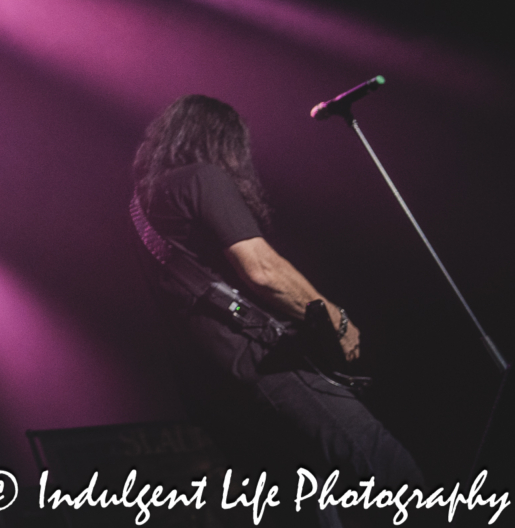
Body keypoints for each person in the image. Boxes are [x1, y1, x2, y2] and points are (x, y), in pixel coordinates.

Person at [130, 95, 421, 496]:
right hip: (260, 362)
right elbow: (263, 271)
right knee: (386, 465)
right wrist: (336, 319)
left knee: (300, 500)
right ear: (222, 140)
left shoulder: (146, 202)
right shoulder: (202, 178)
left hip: (206, 387)